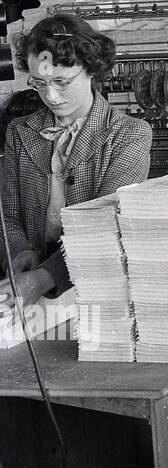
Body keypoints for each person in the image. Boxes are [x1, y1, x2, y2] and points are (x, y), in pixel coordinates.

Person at [1, 15, 152, 304]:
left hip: (96, 286)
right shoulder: (20, 131)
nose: (51, 96)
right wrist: (20, 251)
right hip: (28, 284)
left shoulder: (130, 134)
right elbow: (7, 214)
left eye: (61, 82)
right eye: (40, 84)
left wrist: (44, 277)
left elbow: (105, 226)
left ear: (91, 69)